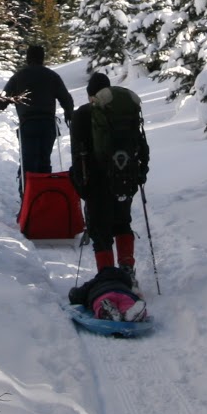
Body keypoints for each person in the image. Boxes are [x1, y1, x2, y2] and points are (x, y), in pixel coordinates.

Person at [66, 71, 149, 314]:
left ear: (90, 93)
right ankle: (127, 271)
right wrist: (139, 174)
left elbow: (76, 153)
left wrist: (80, 184)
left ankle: (106, 276)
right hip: (124, 178)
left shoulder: (82, 114)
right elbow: (141, 145)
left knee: (100, 231)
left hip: (96, 182)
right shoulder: (125, 112)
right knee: (123, 222)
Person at [0, 44, 74, 182]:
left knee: (28, 162)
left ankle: (27, 196)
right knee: (44, 161)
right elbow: (66, 99)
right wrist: (70, 114)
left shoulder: (19, 77)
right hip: (48, 125)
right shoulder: (52, 76)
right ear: (42, 58)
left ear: (28, 58)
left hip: (28, 125)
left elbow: (4, 99)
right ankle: (43, 193)